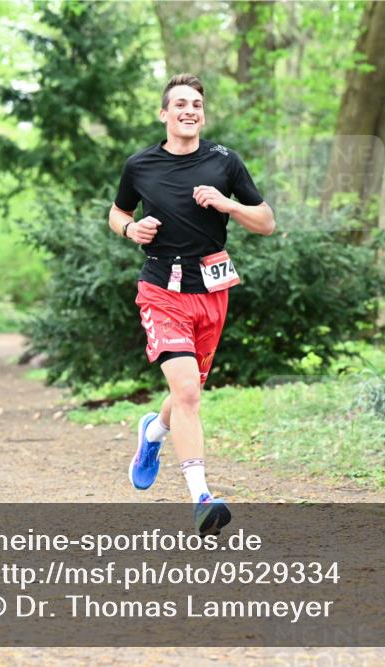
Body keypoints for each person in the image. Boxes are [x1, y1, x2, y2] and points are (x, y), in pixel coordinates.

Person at [107, 73, 275, 535]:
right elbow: (118, 211)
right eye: (180, 103)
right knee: (186, 393)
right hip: (161, 289)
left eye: (196, 104)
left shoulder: (225, 162)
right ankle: (201, 497)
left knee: (186, 394)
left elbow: (266, 222)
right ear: (164, 114)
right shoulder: (140, 165)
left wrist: (228, 205)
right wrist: (129, 230)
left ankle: (152, 434)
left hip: (212, 291)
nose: (189, 110)